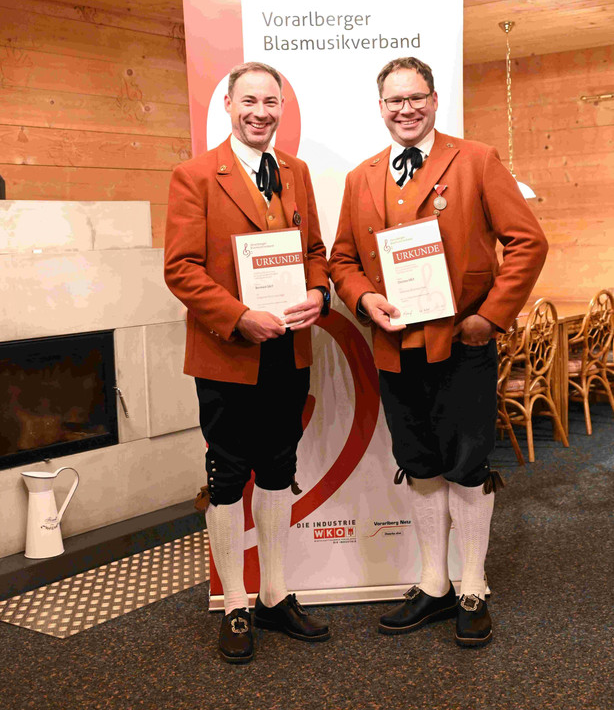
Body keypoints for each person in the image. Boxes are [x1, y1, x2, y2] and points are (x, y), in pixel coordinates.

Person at [329, 57, 548, 647]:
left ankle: (472, 585)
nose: (406, 109)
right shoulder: (360, 177)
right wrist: (364, 297)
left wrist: (490, 317)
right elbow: (342, 259)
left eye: (416, 97)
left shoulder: (476, 159)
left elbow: (528, 242)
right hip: (394, 347)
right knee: (420, 462)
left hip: (462, 344)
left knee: (467, 465)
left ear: (433, 99)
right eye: (394, 100)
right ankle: (434, 584)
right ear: (380, 107)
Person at [164, 61, 331, 663]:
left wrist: (319, 292)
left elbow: (314, 251)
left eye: (270, 102)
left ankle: (274, 595)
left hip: (288, 350)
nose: (261, 112)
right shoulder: (194, 175)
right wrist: (238, 317)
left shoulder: (297, 172)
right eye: (249, 102)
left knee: (280, 468)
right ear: (228, 106)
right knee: (229, 475)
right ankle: (235, 602)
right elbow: (181, 269)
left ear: (282, 107)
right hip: (227, 353)